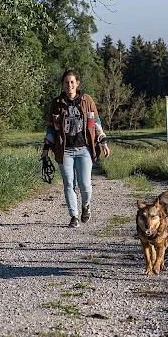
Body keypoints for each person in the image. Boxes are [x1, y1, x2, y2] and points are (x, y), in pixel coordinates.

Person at [41, 68, 111, 227]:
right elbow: (51, 128)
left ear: (77, 83)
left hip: (84, 149)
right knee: (69, 184)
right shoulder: (57, 103)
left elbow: (96, 124)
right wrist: (46, 148)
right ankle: (74, 216)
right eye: (66, 82)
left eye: (72, 82)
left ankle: (86, 205)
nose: (69, 85)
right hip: (64, 150)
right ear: (63, 85)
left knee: (85, 184)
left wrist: (103, 141)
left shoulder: (87, 101)